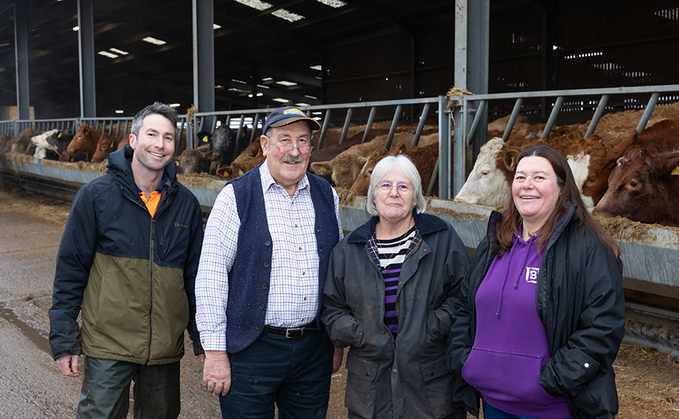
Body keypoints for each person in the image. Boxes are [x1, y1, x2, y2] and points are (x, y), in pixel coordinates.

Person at [48, 102, 205, 419]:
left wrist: (203, 340)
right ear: (133, 141)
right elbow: (71, 270)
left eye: (169, 137)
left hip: (163, 349)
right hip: (108, 343)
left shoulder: (186, 204)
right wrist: (64, 338)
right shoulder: (95, 196)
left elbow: (194, 278)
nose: (160, 144)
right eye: (152, 134)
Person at [447, 145, 625, 419]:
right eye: (520, 177)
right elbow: (463, 308)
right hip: (494, 403)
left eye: (539, 177)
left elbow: (603, 327)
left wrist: (551, 383)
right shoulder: (494, 243)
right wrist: (466, 362)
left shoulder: (590, 249)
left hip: (550, 407)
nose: (527, 185)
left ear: (562, 187)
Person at [196, 105, 344, 418]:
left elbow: (337, 274)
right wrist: (215, 351)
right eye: (285, 140)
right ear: (265, 145)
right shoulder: (236, 196)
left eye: (303, 141)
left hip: (313, 348)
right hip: (252, 348)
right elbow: (211, 277)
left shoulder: (327, 194)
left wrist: (336, 341)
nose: (294, 151)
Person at [322, 154, 471, 419]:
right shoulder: (349, 249)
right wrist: (359, 333)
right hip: (370, 386)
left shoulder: (442, 239)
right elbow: (332, 308)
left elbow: (464, 296)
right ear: (373, 195)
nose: (394, 193)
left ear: (416, 197)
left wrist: (433, 326)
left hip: (430, 382)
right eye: (385, 185)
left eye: (404, 186)